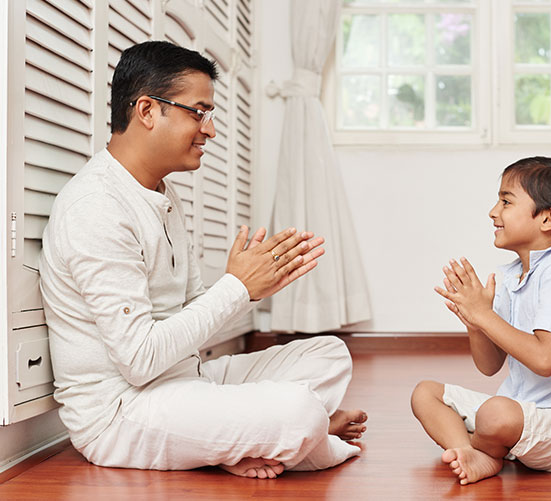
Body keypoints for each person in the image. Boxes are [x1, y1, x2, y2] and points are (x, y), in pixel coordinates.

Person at [39, 40, 366, 479]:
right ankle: (306, 436)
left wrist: (250, 289)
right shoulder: (96, 208)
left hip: (186, 381)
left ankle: (247, 440)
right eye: (199, 112)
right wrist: (236, 288)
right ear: (148, 111)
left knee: (330, 354)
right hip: (121, 413)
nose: (209, 130)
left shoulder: (161, 193)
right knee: (299, 411)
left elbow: (191, 316)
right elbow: (138, 361)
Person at [411, 157, 551, 485]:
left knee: (496, 413)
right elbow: (489, 366)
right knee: (425, 393)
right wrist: (476, 323)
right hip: (520, 414)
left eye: (505, 201)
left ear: (549, 217)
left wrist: (485, 316)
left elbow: (545, 360)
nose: (493, 212)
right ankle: (472, 452)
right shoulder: (510, 275)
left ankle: (487, 449)